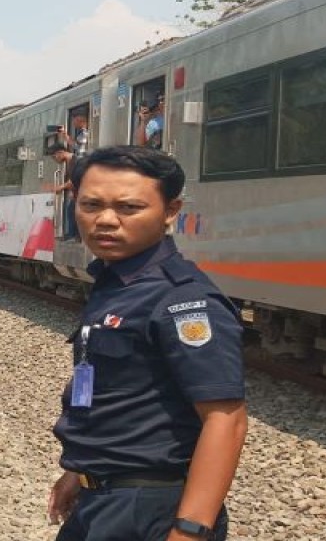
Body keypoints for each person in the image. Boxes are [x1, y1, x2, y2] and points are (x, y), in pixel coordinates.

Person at [46, 146, 247, 541]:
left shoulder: (182, 300)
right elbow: (112, 392)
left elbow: (226, 420)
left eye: (129, 208)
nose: (105, 220)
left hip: (147, 507)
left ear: (171, 211)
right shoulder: (115, 284)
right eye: (90, 205)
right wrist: (78, 472)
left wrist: (189, 531)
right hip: (100, 496)